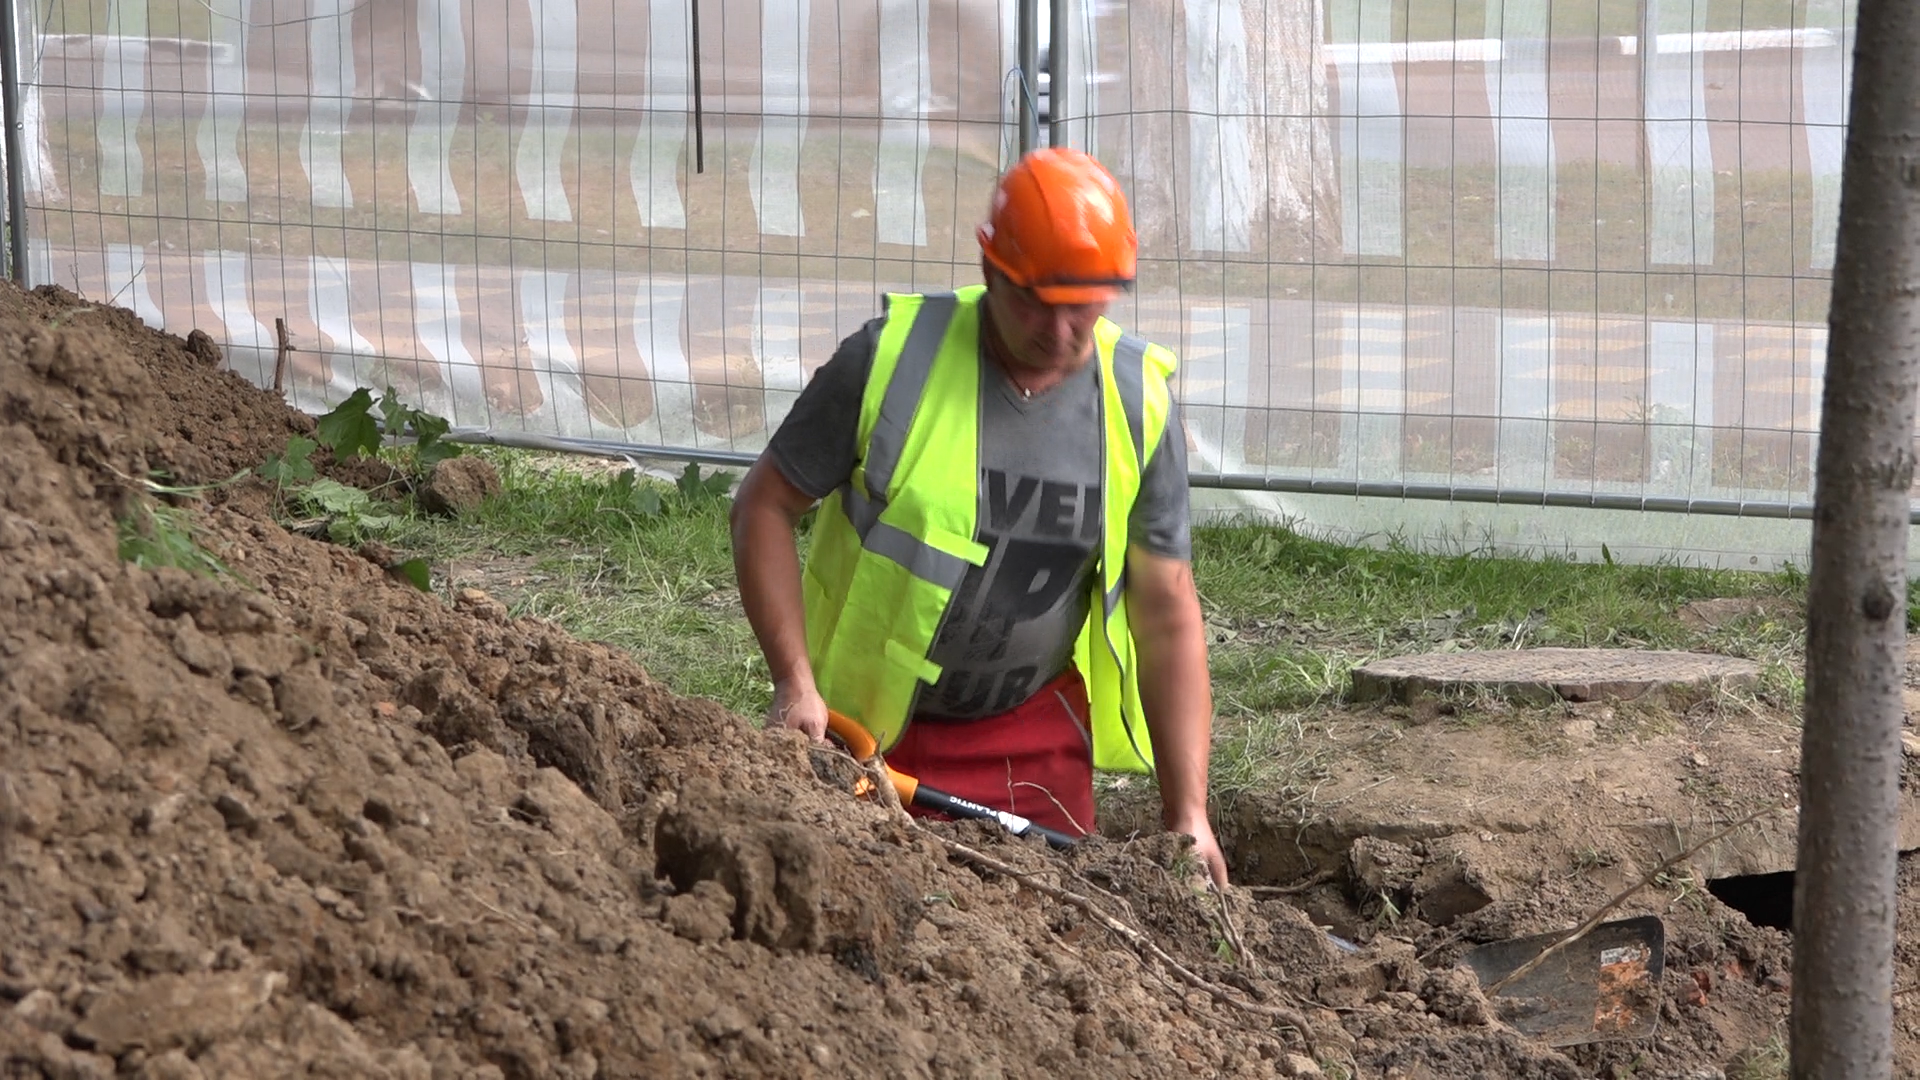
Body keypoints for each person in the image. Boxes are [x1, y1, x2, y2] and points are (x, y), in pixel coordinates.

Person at [728, 147, 1226, 888]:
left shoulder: (1137, 405)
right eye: (1035, 304)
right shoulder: (891, 362)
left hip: (1033, 745)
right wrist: (795, 682)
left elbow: (1166, 612)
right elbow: (764, 506)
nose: (1059, 335)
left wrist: (1188, 812)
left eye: (1081, 310)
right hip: (865, 738)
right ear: (991, 269)